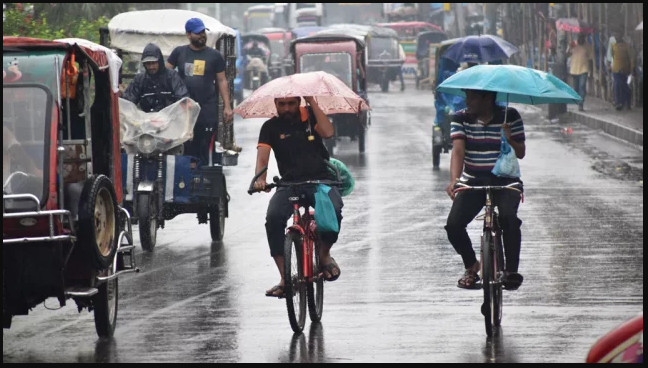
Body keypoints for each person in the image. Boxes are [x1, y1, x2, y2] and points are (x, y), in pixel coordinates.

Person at [252, 96, 343, 298]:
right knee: (274, 219)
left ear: (299, 102)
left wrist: (312, 101)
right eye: (282, 104)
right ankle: (286, 278)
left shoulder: (311, 117)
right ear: (275, 104)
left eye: (291, 104)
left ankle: (324, 254)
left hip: (320, 181)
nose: (287, 108)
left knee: (333, 212)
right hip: (289, 184)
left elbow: (328, 132)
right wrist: (261, 178)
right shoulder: (270, 127)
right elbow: (263, 156)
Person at [445, 89, 526, 291]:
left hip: (505, 181)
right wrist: (455, 180)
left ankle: (511, 271)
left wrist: (510, 139)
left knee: (509, 218)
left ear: (487, 98)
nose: (468, 101)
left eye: (472, 97)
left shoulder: (511, 116)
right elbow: (458, 150)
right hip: (473, 180)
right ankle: (472, 265)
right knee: (454, 225)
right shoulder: (460, 118)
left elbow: (521, 153)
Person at [166, 17, 234, 164]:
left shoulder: (214, 55)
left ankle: (205, 177)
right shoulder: (179, 53)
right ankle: (187, 177)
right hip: (185, 109)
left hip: (207, 109)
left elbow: (222, 80)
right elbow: (166, 74)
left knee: (205, 146)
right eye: (198, 32)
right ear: (189, 35)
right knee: (186, 146)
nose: (202, 35)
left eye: (203, 31)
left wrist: (227, 106)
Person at [122, 43, 189, 113]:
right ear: (144, 64)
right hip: (147, 120)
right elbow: (128, 101)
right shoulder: (140, 79)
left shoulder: (172, 76)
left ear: (159, 62)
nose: (151, 67)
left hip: (170, 120)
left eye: (153, 63)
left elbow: (183, 97)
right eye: (148, 63)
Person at [566, 34, 593, 111]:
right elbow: (567, 55)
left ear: (584, 38)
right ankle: (578, 100)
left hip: (584, 69)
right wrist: (569, 47)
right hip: (574, 69)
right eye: (579, 37)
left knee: (582, 86)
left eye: (582, 37)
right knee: (576, 88)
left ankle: (581, 104)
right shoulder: (573, 44)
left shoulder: (588, 46)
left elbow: (590, 59)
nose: (580, 39)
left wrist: (591, 71)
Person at [610, 31, 635, 111]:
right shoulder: (613, 46)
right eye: (615, 37)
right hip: (615, 70)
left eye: (618, 36)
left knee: (626, 86)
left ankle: (627, 103)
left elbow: (631, 58)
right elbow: (612, 57)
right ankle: (618, 103)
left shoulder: (626, 46)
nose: (617, 38)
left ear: (621, 37)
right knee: (617, 86)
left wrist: (631, 69)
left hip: (625, 71)